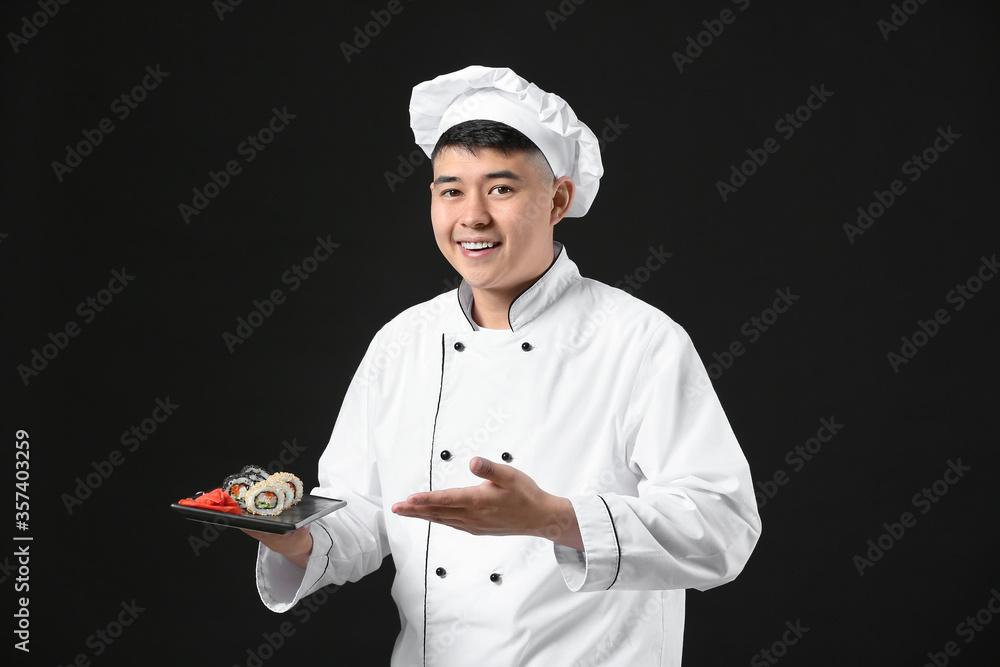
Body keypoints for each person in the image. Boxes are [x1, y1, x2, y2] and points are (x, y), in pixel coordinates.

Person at [244, 65, 762, 666]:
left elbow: (723, 528)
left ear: (558, 199)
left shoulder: (640, 341)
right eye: (450, 190)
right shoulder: (403, 342)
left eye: (501, 188)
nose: (472, 217)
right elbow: (361, 513)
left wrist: (556, 520)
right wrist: (296, 536)